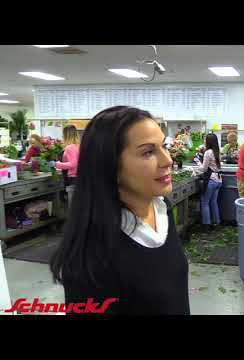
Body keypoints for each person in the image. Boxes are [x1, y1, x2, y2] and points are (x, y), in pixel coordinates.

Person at [50, 106, 190, 315]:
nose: (167, 160)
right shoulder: (93, 259)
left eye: (164, 146)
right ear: (110, 166)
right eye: (148, 152)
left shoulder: (162, 210)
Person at [194, 133, 222, 232]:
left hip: (211, 180)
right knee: (214, 202)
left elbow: (204, 169)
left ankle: (206, 225)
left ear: (208, 141)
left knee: (205, 202)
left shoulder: (208, 152)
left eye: (205, 140)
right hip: (218, 180)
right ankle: (216, 222)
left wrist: (197, 161)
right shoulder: (218, 151)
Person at [52, 125, 80, 208]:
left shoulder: (70, 147)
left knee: (73, 207)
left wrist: (56, 164)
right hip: (80, 178)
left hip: (73, 179)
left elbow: (73, 164)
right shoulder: (78, 146)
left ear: (66, 135)